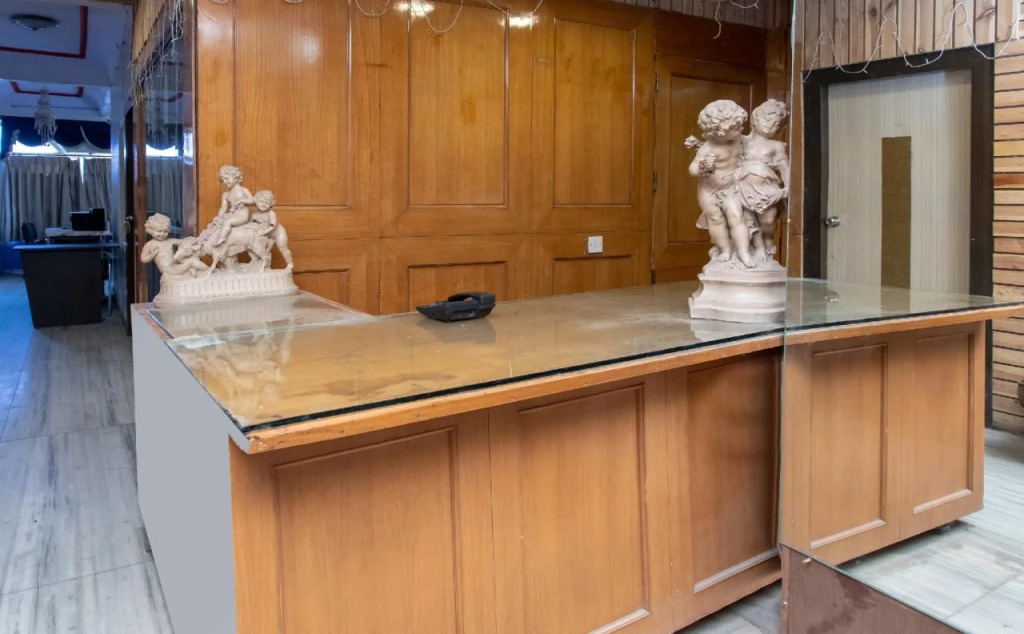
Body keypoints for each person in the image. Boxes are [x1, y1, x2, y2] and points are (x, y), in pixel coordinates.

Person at [688, 100, 756, 268]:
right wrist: (703, 167)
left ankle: (744, 253)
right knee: (715, 219)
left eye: (740, 125)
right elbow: (692, 169)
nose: (741, 129)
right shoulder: (708, 148)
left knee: (736, 216)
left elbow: (754, 140)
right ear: (719, 131)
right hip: (708, 190)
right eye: (736, 127)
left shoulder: (739, 138)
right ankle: (725, 250)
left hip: (730, 187)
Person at [737, 99, 790, 260]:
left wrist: (787, 187)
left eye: (776, 124)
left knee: (768, 219)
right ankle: (753, 247)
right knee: (748, 220)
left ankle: (768, 239)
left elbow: (784, 167)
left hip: (768, 189)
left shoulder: (777, 145)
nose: (770, 125)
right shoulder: (742, 141)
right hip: (743, 187)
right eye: (767, 119)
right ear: (755, 119)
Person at [141, 213, 208, 277]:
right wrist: (151, 255)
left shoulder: (170, 241)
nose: (162, 234)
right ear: (150, 230)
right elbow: (143, 259)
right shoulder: (150, 244)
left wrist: (196, 241)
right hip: (168, 270)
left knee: (189, 260)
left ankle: (200, 272)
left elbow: (184, 242)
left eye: (165, 231)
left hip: (175, 266)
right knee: (192, 262)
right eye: (159, 231)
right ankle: (210, 270)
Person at [251, 190, 294, 270]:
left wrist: (262, 232)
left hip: (278, 234)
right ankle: (266, 266)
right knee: (265, 251)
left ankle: (290, 263)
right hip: (269, 236)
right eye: (261, 202)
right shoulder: (254, 215)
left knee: (283, 248)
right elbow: (250, 225)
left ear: (271, 204)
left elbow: (272, 227)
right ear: (256, 201)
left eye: (267, 203)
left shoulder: (271, 213)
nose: (264, 204)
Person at [214, 165, 255, 247]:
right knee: (218, 221)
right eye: (222, 180)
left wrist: (242, 200)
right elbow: (223, 207)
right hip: (232, 214)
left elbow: (252, 201)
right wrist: (219, 217)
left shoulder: (243, 190)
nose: (224, 182)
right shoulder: (226, 194)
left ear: (236, 177)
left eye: (227, 178)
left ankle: (222, 238)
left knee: (228, 222)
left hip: (242, 216)